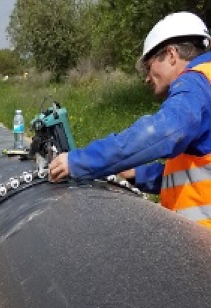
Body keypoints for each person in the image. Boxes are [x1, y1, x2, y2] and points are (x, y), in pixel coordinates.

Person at [48, 11, 211, 228]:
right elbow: (193, 174)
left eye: (149, 65)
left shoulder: (194, 83)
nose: (146, 77)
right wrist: (135, 174)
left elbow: (163, 132)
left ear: (171, 55)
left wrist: (80, 161)